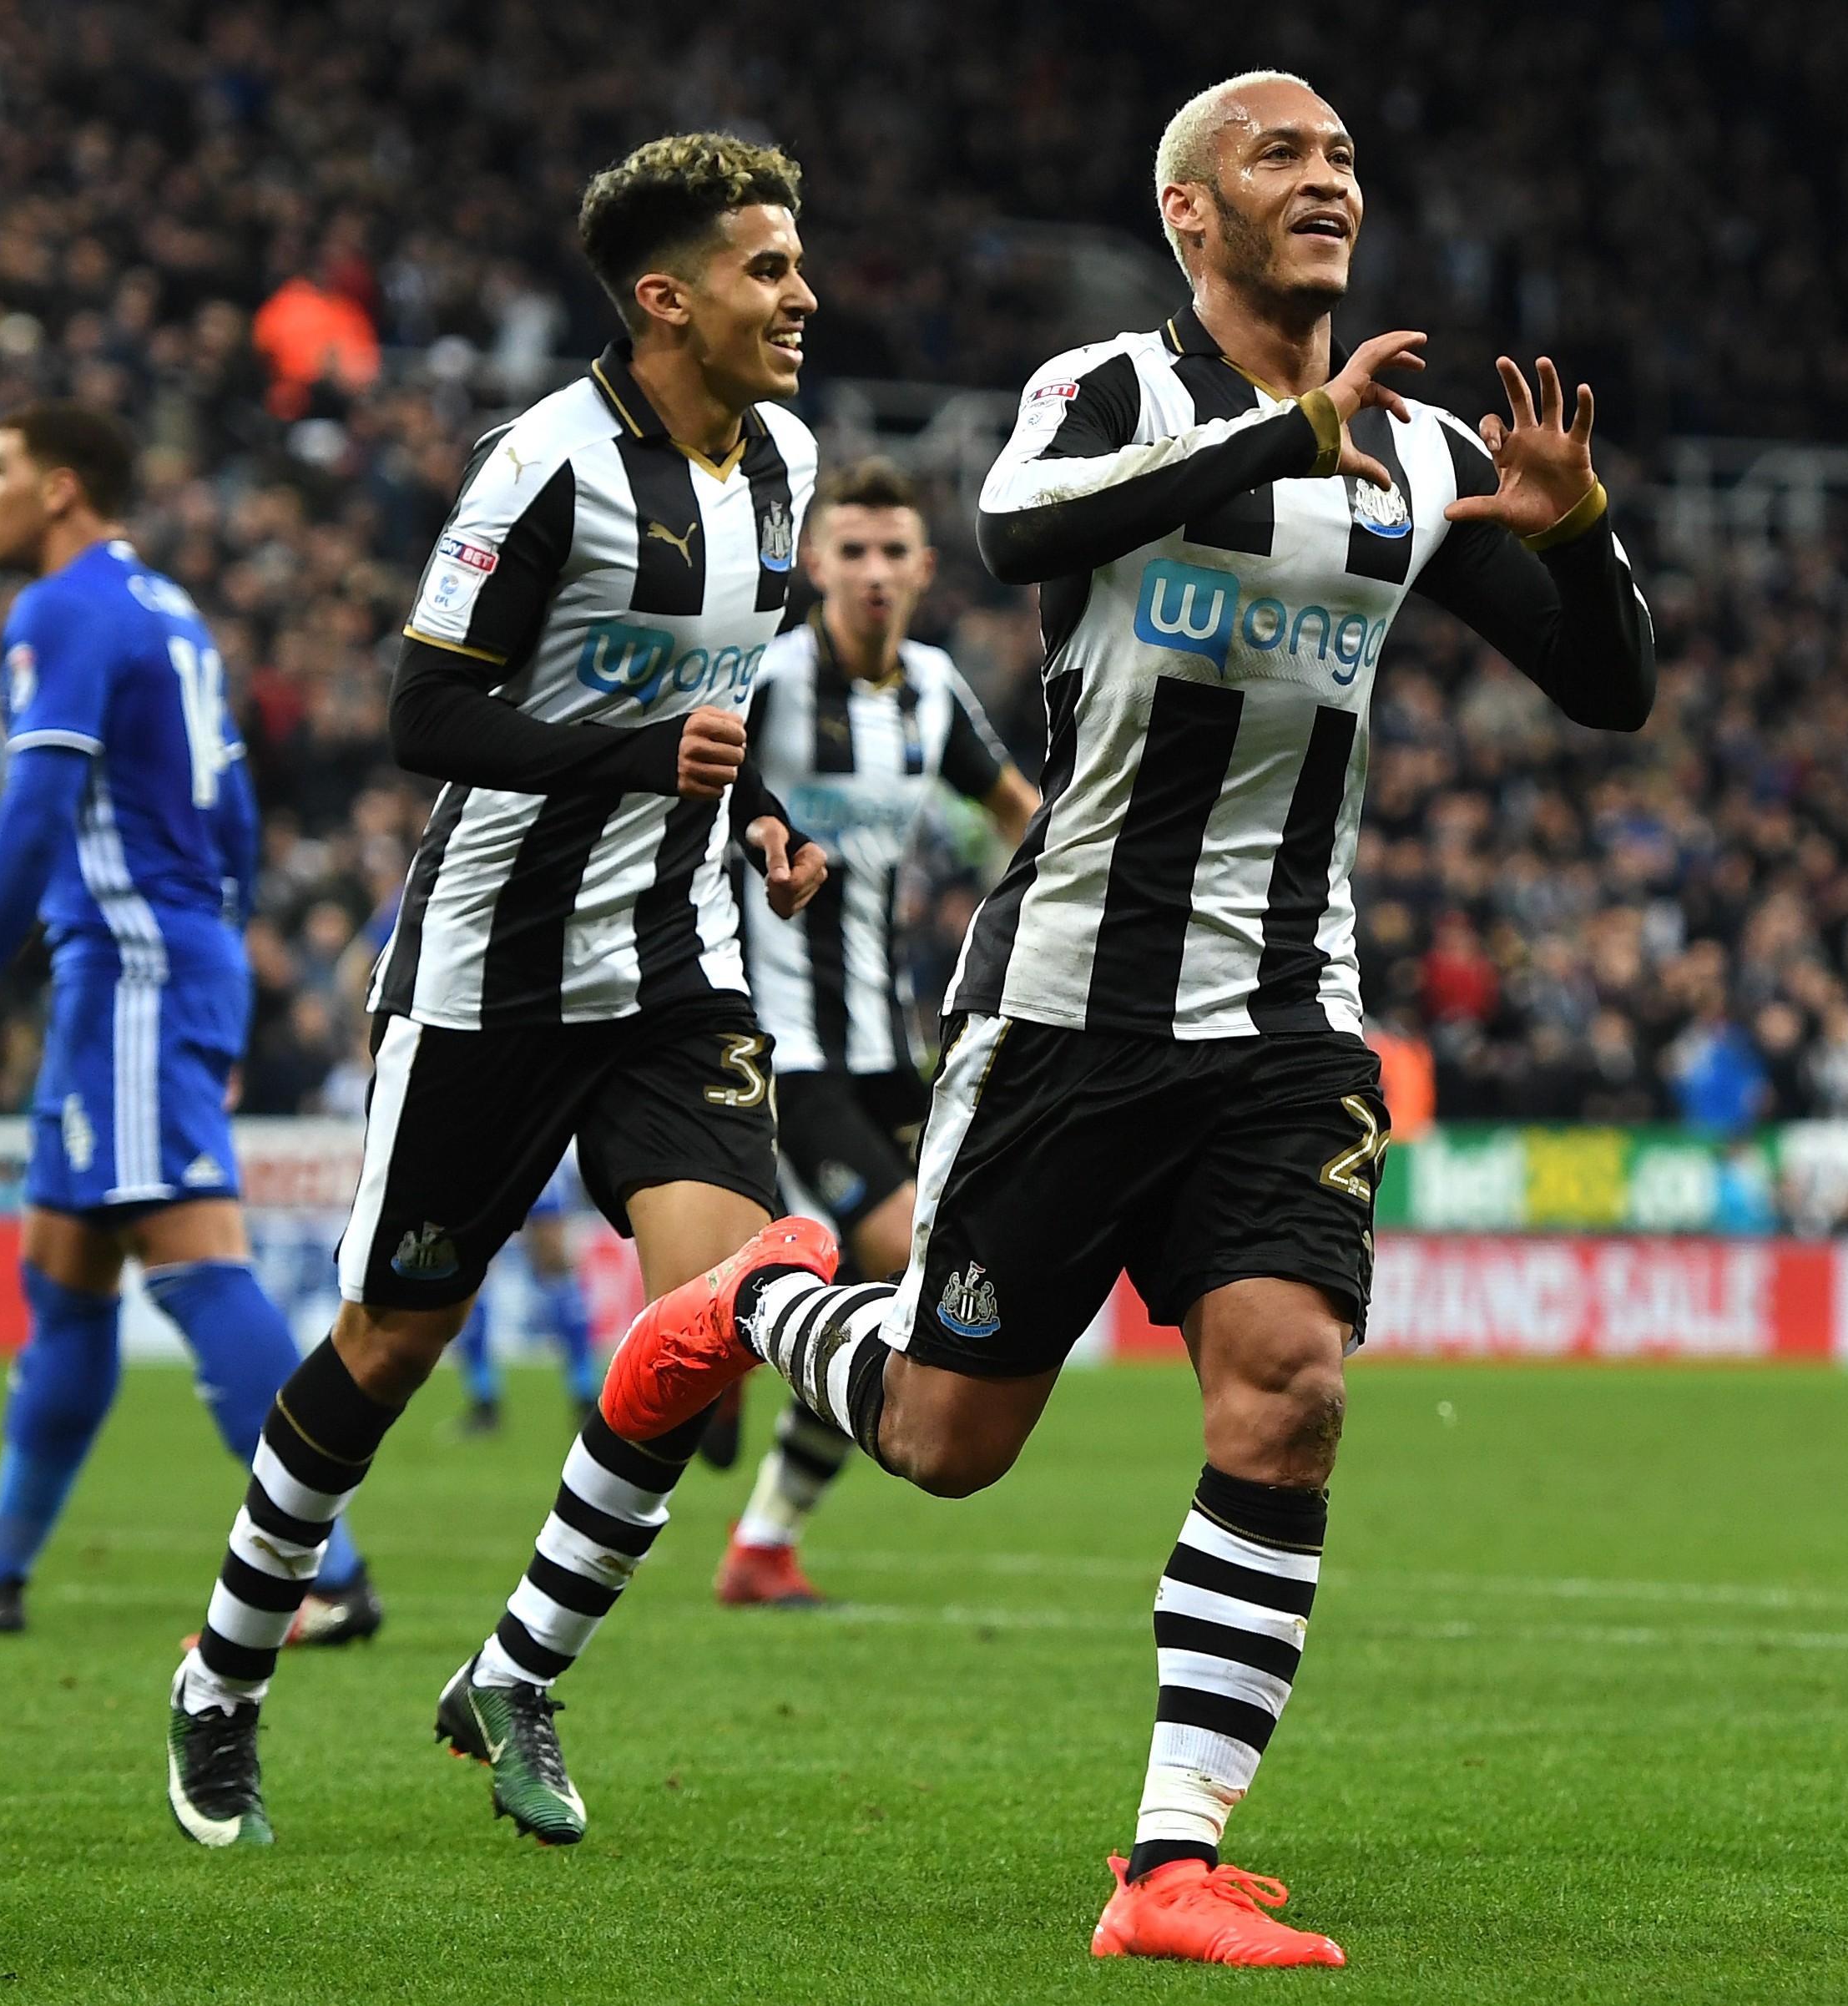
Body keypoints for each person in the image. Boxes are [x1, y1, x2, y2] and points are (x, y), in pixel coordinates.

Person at [594, 71, 1654, 1967]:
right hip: (1071, 1002)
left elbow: (1609, 689)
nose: (1326, 179)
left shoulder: (1412, 451)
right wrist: (1283, 432)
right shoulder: (1107, 392)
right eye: (1279, 154)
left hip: (1289, 1009)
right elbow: (1016, 533)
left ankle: (1170, 1861)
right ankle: (758, 1299)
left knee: (1289, 1386)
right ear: (1188, 213)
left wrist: (1574, 536)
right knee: (946, 1439)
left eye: (1342, 156)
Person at [159, 133, 831, 1850]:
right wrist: (641, 758)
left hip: (674, 962)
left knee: (708, 1331)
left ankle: (518, 1669)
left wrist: (759, 811)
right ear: (664, 298)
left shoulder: (787, 460)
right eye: (766, 269)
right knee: (393, 1341)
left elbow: (706, 696)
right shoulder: (545, 468)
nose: (803, 296)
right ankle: (223, 1673)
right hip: (492, 973)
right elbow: (427, 713)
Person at [0, 404, 380, 1652]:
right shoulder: (167, 609)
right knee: (65, 1274)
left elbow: (36, 804)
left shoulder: (61, 606)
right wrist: (222, 951)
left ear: (59, 488)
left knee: (195, 1257)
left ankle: (329, 1572)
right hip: (151, 960)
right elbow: (236, 805)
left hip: (133, 965)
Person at [717, 457, 1038, 1609]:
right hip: (778, 1045)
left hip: (885, 1048)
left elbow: (1020, 815)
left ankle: (763, 1537)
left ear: (925, 568)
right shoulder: (766, 682)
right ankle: (714, 1330)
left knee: (918, 1278)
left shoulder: (935, 692)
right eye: (850, 550)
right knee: (900, 1252)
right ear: (813, 563)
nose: (873, 572)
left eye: (893, 551)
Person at [450, 1150, 599, 1438]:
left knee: (555, 1264)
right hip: (482, 1153)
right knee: (472, 1270)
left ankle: (585, 1398)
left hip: (533, 1147)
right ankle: (484, 1402)